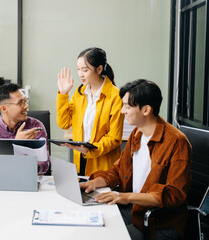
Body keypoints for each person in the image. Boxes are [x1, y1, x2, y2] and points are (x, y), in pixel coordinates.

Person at [80, 79, 192, 240]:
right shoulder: (137, 134)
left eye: (127, 106)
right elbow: (118, 171)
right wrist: (93, 183)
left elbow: (174, 195)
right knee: (88, 223)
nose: (122, 111)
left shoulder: (176, 142)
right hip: (134, 210)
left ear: (146, 110)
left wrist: (124, 197)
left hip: (157, 222)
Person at [56, 47, 124, 176]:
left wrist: (91, 150)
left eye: (85, 70)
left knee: (100, 195)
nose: (80, 74)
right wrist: (63, 94)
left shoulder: (115, 96)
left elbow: (114, 138)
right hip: (80, 159)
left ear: (99, 69)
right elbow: (64, 123)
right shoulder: (80, 92)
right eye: (78, 69)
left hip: (102, 164)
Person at [0, 83, 50, 174]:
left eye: (25, 101)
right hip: (2, 181)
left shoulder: (35, 126)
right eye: (20, 103)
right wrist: (17, 145)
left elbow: (44, 164)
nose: (26, 106)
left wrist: (32, 165)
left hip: (30, 176)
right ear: (4, 108)